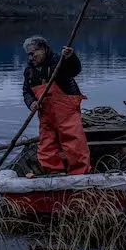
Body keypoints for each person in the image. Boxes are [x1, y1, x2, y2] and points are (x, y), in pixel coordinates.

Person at [22, 35, 91, 175]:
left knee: (73, 142)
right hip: (46, 113)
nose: (30, 57)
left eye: (33, 53)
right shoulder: (29, 71)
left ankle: (80, 173)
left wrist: (70, 57)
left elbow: (74, 70)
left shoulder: (58, 62)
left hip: (66, 110)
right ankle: (53, 172)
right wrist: (32, 103)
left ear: (43, 49)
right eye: (28, 54)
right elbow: (27, 92)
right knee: (46, 144)